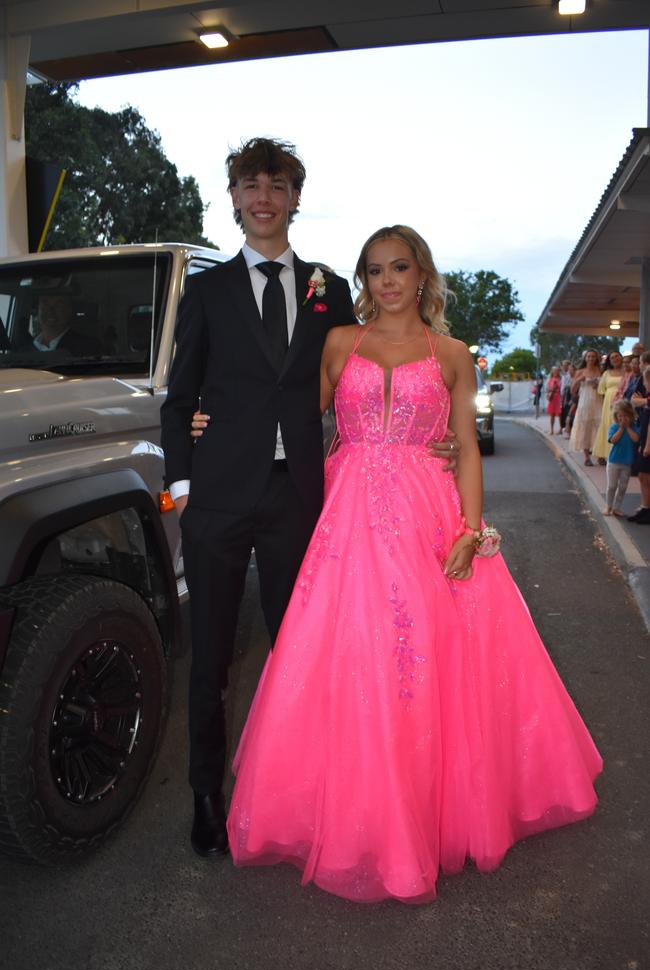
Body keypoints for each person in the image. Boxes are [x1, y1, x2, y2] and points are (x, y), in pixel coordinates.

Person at [226, 225, 602, 904]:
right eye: (374, 270)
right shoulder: (340, 343)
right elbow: (293, 417)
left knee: (429, 654)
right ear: (364, 280)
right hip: (349, 522)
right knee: (349, 654)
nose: (387, 280)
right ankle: (360, 812)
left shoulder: (454, 354)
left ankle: (430, 808)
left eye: (399, 267)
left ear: (422, 275)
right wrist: (212, 420)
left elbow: (464, 440)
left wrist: (470, 527)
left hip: (428, 516)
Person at [160, 140, 459, 859]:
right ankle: (207, 793)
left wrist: (434, 436)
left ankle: (308, 788)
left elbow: (376, 363)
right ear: (232, 198)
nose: (264, 196)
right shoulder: (206, 291)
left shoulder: (327, 289)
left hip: (305, 499)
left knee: (308, 650)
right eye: (250, 185)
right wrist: (186, 484)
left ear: (296, 197)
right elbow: (179, 400)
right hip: (219, 501)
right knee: (211, 656)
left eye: (279, 185)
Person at [31, 293, 98, 355]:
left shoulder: (88, 347)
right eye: (45, 303)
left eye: (58, 304)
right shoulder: (24, 350)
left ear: (69, 310)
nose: (50, 310)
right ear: (37, 309)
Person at [604, 399, 639, 517]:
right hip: (613, 461)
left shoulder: (633, 427)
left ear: (630, 415)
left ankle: (617, 507)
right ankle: (608, 505)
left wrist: (628, 427)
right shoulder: (614, 427)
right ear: (616, 416)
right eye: (620, 415)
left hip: (627, 462)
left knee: (623, 486)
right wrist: (621, 428)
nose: (622, 418)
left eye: (625, 415)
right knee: (612, 486)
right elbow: (613, 440)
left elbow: (636, 439)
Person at [569, 350, 602, 465]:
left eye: (593, 356)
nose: (591, 358)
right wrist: (578, 380)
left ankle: (599, 454)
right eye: (589, 356)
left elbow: (604, 387)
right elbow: (573, 391)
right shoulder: (580, 371)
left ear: (596, 358)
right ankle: (587, 457)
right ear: (585, 358)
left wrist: (598, 385)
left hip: (598, 401)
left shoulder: (600, 370)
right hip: (585, 402)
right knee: (585, 429)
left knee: (600, 427)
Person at [591, 351, 624, 464]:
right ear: (609, 361)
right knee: (608, 425)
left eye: (617, 356)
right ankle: (603, 454)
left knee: (620, 425)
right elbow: (601, 390)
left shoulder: (626, 371)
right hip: (609, 401)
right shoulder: (606, 373)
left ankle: (619, 454)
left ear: (621, 357)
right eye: (612, 358)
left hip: (623, 400)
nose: (615, 359)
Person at [628, 366, 650, 524]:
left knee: (646, 476)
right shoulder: (648, 398)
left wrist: (647, 445)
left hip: (648, 441)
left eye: (645, 380)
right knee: (642, 475)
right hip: (644, 438)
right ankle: (645, 507)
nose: (644, 384)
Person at [545, 365, 562, 434]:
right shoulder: (550, 379)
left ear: (558, 372)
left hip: (559, 397)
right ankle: (551, 430)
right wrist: (549, 392)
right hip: (552, 398)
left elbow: (562, 388)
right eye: (554, 370)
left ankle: (560, 429)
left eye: (557, 371)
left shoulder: (561, 379)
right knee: (552, 414)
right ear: (552, 371)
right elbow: (547, 388)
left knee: (560, 414)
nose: (555, 372)